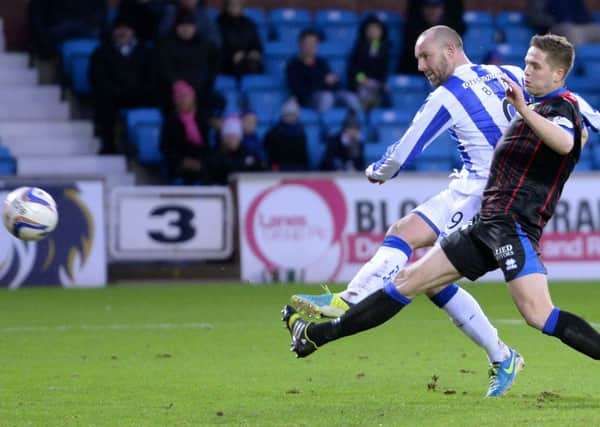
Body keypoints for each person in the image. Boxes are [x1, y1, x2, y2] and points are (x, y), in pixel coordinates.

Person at [288, 25, 600, 397]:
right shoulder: (515, 82)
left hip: (510, 225)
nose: (525, 69)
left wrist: (377, 171)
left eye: (534, 65)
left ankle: (351, 300)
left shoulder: (546, 106)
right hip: (484, 221)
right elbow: (582, 117)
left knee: (538, 315)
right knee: (411, 281)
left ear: (450, 50)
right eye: (527, 63)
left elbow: (566, 138)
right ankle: (316, 334)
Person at [89, 16, 159, 154]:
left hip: (141, 95)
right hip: (113, 95)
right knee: (104, 103)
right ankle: (108, 145)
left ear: (132, 31)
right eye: (118, 29)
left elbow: (152, 77)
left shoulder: (146, 52)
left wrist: (140, 90)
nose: (122, 32)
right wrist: (115, 90)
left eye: (125, 29)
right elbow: (97, 77)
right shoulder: (102, 52)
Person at [286, 29, 361, 113]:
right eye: (308, 43)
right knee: (326, 97)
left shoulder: (321, 62)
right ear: (301, 45)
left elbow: (334, 83)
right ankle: (324, 124)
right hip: (308, 100)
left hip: (331, 94)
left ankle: (358, 122)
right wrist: (322, 81)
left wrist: (333, 80)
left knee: (350, 96)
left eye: (314, 43)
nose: (311, 46)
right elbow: (299, 91)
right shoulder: (293, 65)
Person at [160, 80, 212, 185]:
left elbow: (208, 145)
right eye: (180, 97)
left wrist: (201, 162)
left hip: (201, 162)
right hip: (180, 165)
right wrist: (183, 161)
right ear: (175, 100)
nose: (183, 100)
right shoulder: (170, 122)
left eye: (186, 96)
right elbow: (165, 148)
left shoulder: (202, 119)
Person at [397, 0, 465, 74]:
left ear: (442, 8)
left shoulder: (452, 30)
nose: (432, 11)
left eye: (436, 7)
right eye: (428, 6)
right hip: (415, 72)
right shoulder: (412, 30)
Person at [346, 14, 391, 111]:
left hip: (377, 85)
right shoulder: (359, 47)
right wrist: (362, 79)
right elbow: (354, 68)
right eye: (371, 29)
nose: (374, 32)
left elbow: (383, 70)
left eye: (377, 29)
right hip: (360, 85)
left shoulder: (384, 49)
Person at [207, 115, 266, 185]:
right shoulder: (215, 156)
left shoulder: (247, 154)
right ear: (224, 138)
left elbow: (260, 172)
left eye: (235, 136)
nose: (233, 140)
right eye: (230, 136)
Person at [216, 0, 264, 78]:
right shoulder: (219, 24)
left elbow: (257, 44)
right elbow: (217, 48)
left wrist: (255, 52)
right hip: (228, 63)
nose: (236, 6)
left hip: (247, 60)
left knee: (255, 65)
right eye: (233, 4)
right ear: (227, 5)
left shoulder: (249, 24)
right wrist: (232, 56)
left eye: (238, 4)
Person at [263, 98, 309, 171]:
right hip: (279, 167)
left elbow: (304, 155)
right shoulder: (273, 132)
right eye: (288, 115)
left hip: (298, 168)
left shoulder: (301, 132)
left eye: (293, 115)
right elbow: (268, 153)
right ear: (283, 115)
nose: (290, 117)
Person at [527, 0, 600, 46]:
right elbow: (536, 17)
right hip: (556, 27)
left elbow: (584, 15)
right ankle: (574, 66)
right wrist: (554, 21)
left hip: (579, 25)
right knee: (572, 33)